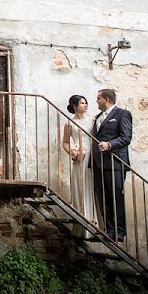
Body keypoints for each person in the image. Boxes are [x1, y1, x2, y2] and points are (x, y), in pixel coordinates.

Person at [90, 88, 132, 242]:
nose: (96, 101)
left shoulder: (122, 114)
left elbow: (126, 137)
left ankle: (120, 232)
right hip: (98, 163)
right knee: (103, 198)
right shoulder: (97, 117)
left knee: (116, 198)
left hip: (115, 163)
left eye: (98, 98)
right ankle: (109, 230)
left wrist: (109, 144)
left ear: (107, 99)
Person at [62, 95, 95, 238]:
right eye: (82, 103)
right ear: (75, 106)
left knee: (92, 188)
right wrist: (72, 152)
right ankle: (81, 228)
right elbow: (65, 142)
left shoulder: (93, 121)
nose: (86, 105)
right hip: (78, 159)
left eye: (86, 103)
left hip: (92, 158)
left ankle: (95, 226)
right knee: (79, 189)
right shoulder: (69, 123)